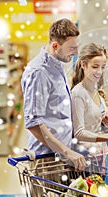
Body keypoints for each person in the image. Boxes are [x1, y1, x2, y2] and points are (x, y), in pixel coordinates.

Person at [21, 18, 86, 171]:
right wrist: (66, 151)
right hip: (46, 158)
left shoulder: (58, 64)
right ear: (55, 46)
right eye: (71, 48)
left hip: (60, 154)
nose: (76, 52)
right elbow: (34, 124)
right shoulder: (39, 72)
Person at [71, 43, 108, 170]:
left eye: (103, 67)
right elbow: (79, 132)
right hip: (85, 160)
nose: (99, 71)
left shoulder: (97, 92)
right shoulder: (78, 93)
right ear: (83, 65)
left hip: (99, 158)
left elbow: (94, 127)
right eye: (95, 66)